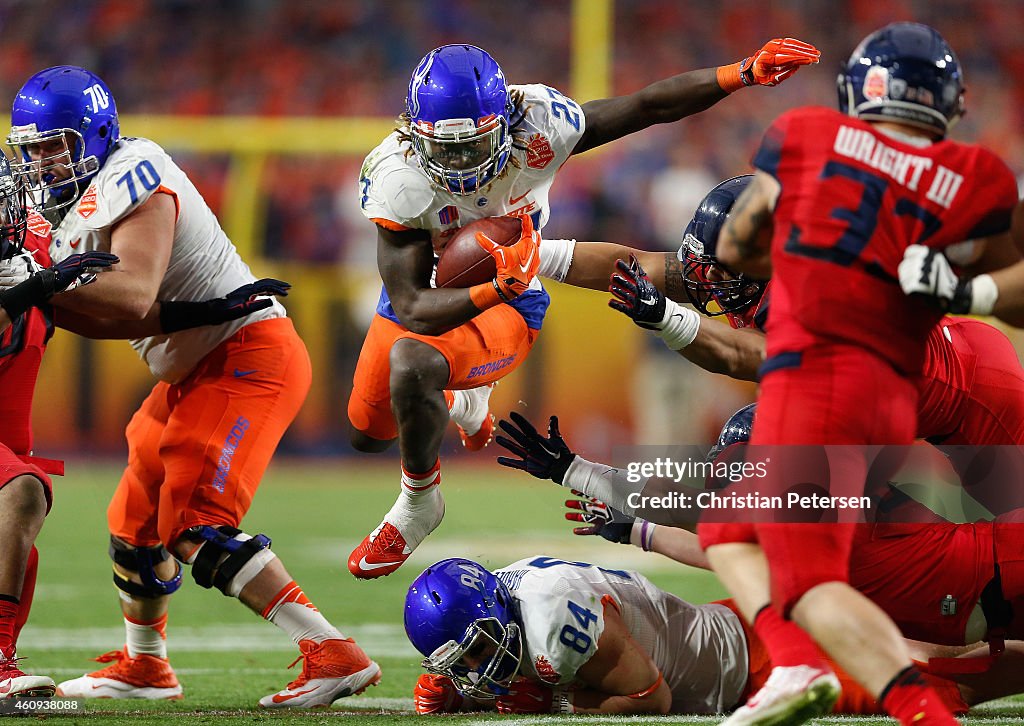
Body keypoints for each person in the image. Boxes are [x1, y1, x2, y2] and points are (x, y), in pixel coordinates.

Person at [348, 39, 821, 579]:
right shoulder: (398, 178)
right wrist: (504, 278)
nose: (461, 163)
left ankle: (419, 503)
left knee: (412, 366)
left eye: (474, 145)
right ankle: (463, 405)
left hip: (514, 295)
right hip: (442, 294)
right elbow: (413, 307)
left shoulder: (539, 124)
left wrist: (739, 74)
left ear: (504, 124)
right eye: (447, 149)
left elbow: (645, 106)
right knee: (368, 434)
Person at [6, 65, 379, 707]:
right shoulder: (58, 215)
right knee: (134, 517)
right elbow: (114, 313)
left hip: (245, 357)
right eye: (31, 149)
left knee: (193, 523)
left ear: (95, 137)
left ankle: (331, 652)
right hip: (196, 362)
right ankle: (146, 667)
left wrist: (36, 285)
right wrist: (186, 311)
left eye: (55, 146)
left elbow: (128, 297)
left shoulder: (133, 171)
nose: (42, 163)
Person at [681, 22, 1019, 726]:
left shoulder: (806, 134)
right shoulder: (975, 174)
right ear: (946, 100)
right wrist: (967, 293)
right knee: (740, 529)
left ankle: (831, 676)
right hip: (903, 391)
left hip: (827, 380)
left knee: (761, 548)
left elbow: (741, 244)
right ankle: (821, 670)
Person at [400, 556, 994, 717]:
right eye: (463, 660)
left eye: (476, 649)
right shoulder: (513, 602)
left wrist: (554, 701)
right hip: (721, 635)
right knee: (922, 650)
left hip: (750, 666)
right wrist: (467, 694)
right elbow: (511, 671)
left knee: (934, 676)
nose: (477, 665)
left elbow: (649, 699)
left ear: (492, 614)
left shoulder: (555, 621)